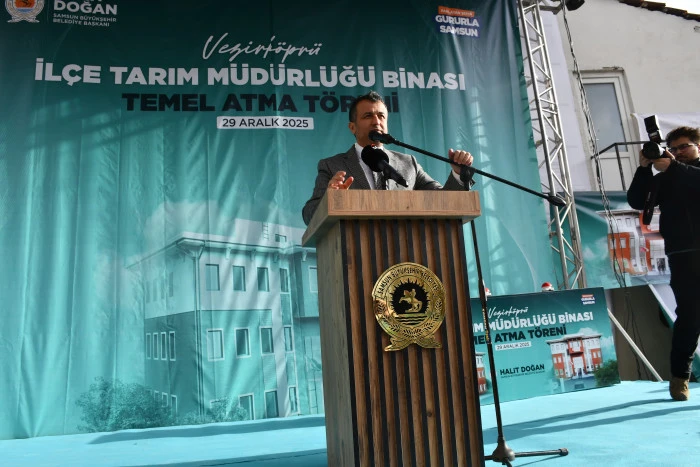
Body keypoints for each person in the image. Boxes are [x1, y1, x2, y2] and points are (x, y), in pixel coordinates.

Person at [302, 91, 475, 225]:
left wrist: (458, 174)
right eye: (368, 116)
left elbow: (444, 201)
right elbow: (309, 215)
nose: (376, 121)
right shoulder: (332, 165)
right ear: (352, 127)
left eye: (381, 116)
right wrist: (330, 200)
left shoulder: (408, 163)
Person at [626, 126, 700, 401]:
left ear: (698, 146)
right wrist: (644, 168)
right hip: (683, 254)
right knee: (689, 317)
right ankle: (680, 377)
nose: (679, 152)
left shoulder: (684, 171)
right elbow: (637, 200)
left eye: (684, 146)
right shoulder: (667, 177)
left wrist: (675, 167)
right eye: (674, 148)